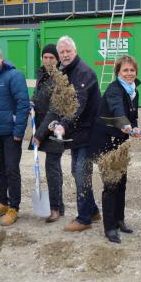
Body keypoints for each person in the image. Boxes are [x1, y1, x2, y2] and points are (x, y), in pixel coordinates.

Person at [90, 55, 141, 244]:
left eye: (132, 70)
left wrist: (133, 126)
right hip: (105, 141)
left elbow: (132, 115)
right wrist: (124, 124)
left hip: (121, 141)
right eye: (125, 70)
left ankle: (119, 220)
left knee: (122, 182)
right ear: (118, 73)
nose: (129, 73)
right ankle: (110, 227)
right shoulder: (114, 89)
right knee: (111, 184)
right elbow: (117, 108)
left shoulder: (133, 90)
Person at [54, 36, 102, 232]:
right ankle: (92, 211)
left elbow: (78, 104)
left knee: (82, 173)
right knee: (77, 171)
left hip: (89, 132)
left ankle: (84, 219)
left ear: (75, 51)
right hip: (78, 133)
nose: (65, 55)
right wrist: (57, 121)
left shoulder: (82, 72)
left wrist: (64, 124)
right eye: (62, 52)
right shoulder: (65, 72)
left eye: (68, 51)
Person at [0, 44, 30, 227]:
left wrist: (19, 131)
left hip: (11, 134)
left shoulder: (14, 76)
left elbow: (23, 103)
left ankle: (14, 207)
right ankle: (2, 202)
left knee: (11, 169)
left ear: (1, 59)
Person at [29, 44, 66, 222]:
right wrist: (32, 103)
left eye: (52, 58)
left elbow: (54, 111)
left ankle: (55, 208)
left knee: (52, 169)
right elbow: (40, 99)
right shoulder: (42, 76)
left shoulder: (59, 79)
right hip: (43, 127)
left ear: (57, 60)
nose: (49, 61)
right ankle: (60, 206)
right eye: (46, 57)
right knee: (54, 169)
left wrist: (39, 135)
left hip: (54, 129)